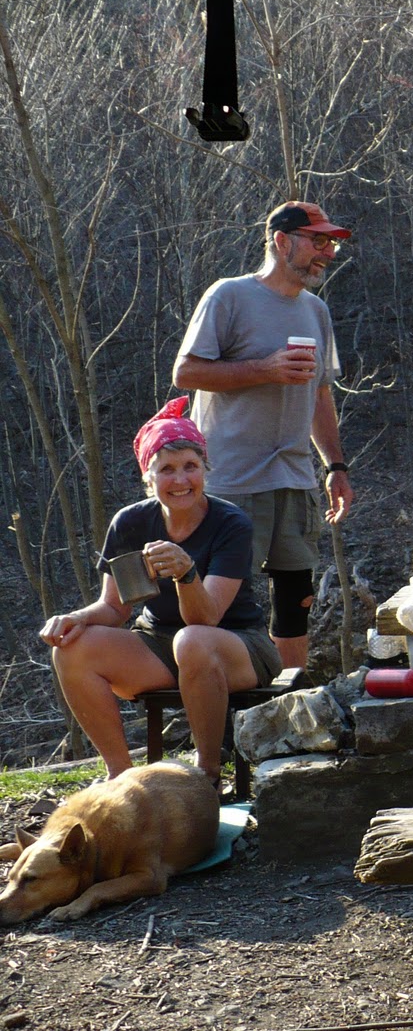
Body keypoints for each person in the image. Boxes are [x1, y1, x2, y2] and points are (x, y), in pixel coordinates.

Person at [40, 399, 280, 789]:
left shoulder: (230, 522)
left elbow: (206, 619)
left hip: (238, 646)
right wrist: (77, 619)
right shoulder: (131, 523)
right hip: (159, 645)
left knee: (193, 641)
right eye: (166, 470)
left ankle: (206, 777)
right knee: (70, 647)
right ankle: (121, 778)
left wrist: (187, 573)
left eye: (190, 466)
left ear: (206, 469)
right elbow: (114, 608)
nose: (181, 479)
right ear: (148, 479)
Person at [173, 201, 356, 674]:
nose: (328, 253)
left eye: (331, 243)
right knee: (223, 602)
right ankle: (228, 711)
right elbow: (186, 372)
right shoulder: (228, 296)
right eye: (318, 241)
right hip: (231, 478)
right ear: (281, 241)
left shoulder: (316, 310)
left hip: (294, 476)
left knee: (296, 598)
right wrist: (264, 369)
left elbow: (320, 396)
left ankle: (286, 703)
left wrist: (335, 466)